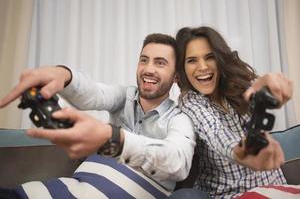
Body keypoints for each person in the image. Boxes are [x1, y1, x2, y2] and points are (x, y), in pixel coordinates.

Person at [0, 34, 199, 198]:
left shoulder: (179, 118)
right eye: (144, 60)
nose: (148, 69)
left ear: (176, 77)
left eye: (160, 63)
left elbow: (178, 161)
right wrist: (65, 75)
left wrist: (114, 138)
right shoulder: (125, 97)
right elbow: (94, 93)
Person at [168, 26, 293, 199]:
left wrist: (270, 89)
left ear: (220, 59)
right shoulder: (190, 102)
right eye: (192, 60)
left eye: (210, 57)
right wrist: (243, 152)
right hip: (231, 194)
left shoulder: (238, 86)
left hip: (275, 188)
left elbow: (259, 96)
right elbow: (216, 132)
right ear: (182, 68)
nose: (203, 67)